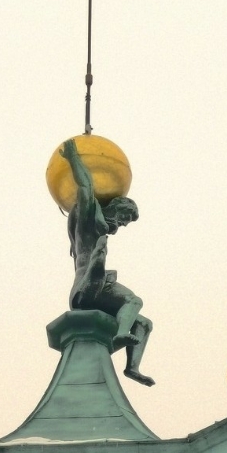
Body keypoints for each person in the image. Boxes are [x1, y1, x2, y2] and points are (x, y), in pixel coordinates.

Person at [60, 138, 154, 386]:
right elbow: (86, 185)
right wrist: (73, 156)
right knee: (134, 301)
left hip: (97, 286)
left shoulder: (101, 229)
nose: (120, 225)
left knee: (144, 323)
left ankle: (132, 368)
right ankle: (121, 334)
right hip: (87, 287)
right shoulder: (89, 218)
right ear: (114, 208)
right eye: (123, 219)